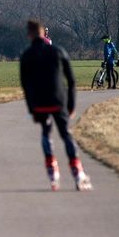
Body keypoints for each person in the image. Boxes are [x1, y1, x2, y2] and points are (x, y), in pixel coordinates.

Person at [20, 20, 92, 192]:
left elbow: (26, 84)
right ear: (43, 33)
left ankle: (52, 172)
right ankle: (78, 172)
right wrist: (72, 104)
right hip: (58, 100)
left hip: (39, 103)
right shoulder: (58, 51)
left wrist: (31, 108)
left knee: (46, 133)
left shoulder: (27, 55)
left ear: (30, 35)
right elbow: (72, 80)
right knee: (66, 134)